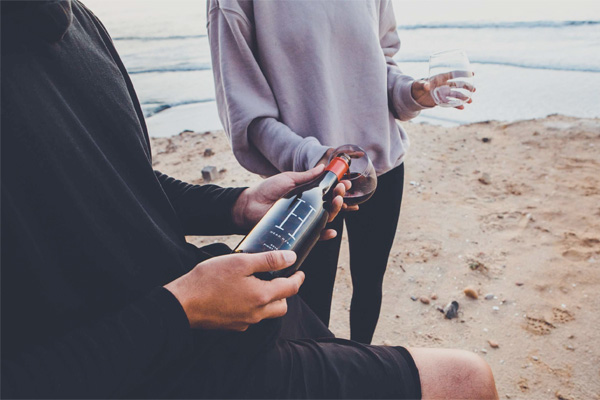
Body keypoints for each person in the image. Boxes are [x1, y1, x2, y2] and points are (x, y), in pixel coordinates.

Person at [1, 1, 496, 399]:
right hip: (157, 354)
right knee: (463, 378)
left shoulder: (81, 21)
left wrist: (235, 205)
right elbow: (250, 117)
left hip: (367, 173)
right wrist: (180, 308)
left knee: (363, 293)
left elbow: (121, 183)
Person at [207, 0, 473, 344]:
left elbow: (380, 67)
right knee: (309, 305)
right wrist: (314, 158)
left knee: (370, 282)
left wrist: (415, 92)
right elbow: (247, 112)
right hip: (308, 182)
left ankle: (361, 365)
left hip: (380, 166)